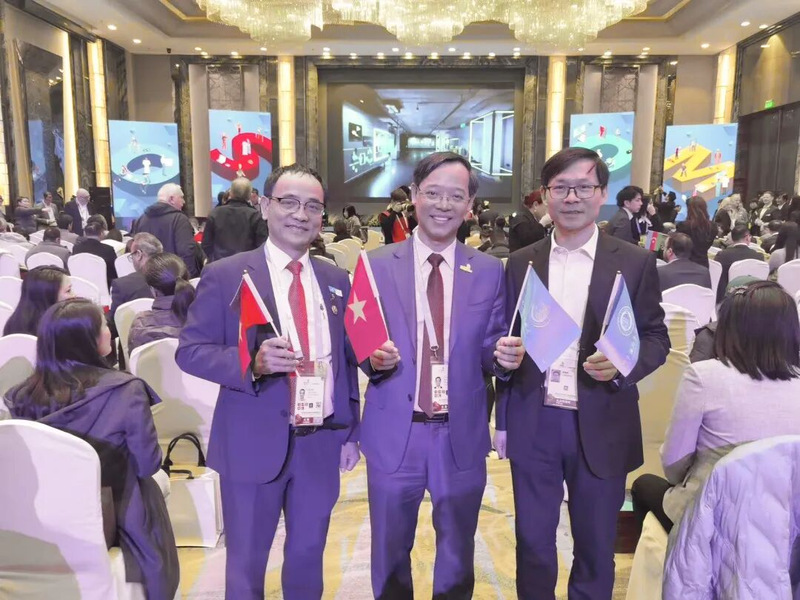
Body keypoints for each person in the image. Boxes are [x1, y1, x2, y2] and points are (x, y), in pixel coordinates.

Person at [176, 164, 360, 600]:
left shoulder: (336, 279)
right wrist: (252, 363)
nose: (301, 214)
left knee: (308, 557)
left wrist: (351, 429)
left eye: (312, 206)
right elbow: (191, 350)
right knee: (246, 564)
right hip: (251, 441)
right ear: (264, 205)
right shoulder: (227, 275)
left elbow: (345, 361)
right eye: (289, 202)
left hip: (319, 441)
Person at [495, 147, 669, 600]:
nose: (572, 197)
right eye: (561, 188)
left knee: (594, 548)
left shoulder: (634, 262)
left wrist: (624, 364)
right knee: (533, 544)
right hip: (536, 419)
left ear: (602, 194)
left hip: (602, 419)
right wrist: (503, 357)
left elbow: (655, 337)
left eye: (583, 187)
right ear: (546, 194)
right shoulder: (521, 262)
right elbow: (504, 335)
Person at [361, 151, 524, 599]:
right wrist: (371, 360)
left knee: (456, 551)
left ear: (470, 205)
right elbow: (358, 339)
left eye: (456, 196)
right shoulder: (375, 264)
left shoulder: (488, 270)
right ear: (414, 195)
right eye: (433, 193)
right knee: (390, 551)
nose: (443, 204)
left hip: (460, 433)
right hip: (396, 431)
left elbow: (491, 346)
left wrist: (504, 357)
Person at [3, 299, 179, 599]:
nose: (109, 331)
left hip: (43, 513)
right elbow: (148, 463)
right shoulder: (126, 390)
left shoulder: (19, 396)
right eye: (103, 326)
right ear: (87, 340)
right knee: (150, 486)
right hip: (114, 514)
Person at [631, 281, 800, 535]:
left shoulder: (703, 377)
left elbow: (674, 464)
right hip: (781, 525)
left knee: (644, 485)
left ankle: (667, 560)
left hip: (711, 523)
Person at [128, 253, 196, 353]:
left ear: (153, 290)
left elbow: (134, 360)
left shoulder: (140, 327)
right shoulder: (208, 316)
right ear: (187, 280)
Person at [132, 183, 202, 277]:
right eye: (181, 197)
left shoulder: (140, 219)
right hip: (173, 279)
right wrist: (189, 278)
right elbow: (186, 252)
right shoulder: (179, 219)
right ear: (171, 199)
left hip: (146, 278)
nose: (184, 202)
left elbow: (136, 253)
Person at [202, 177, 268, 263]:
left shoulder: (215, 213)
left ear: (231, 193)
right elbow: (262, 247)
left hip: (219, 265)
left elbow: (206, 245)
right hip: (246, 266)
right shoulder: (256, 217)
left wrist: (214, 259)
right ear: (249, 195)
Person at [109, 233, 161, 328]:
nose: (132, 259)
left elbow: (115, 325)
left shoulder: (122, 285)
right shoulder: (176, 277)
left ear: (139, 254)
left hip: (132, 335)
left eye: (132, 255)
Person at [2, 266, 72, 336]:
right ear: (49, 296)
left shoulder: (12, 324)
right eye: (68, 291)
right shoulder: (61, 330)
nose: (74, 295)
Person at [713, 223, 765, 303]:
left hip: (726, 300)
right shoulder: (759, 257)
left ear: (732, 238)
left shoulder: (722, 255)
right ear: (747, 238)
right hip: (753, 299)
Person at [73, 215, 117, 286]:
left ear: (85, 234)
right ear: (101, 233)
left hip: (81, 284)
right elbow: (114, 272)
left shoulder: (76, 248)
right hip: (105, 286)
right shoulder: (108, 250)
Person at [676, 197, 717, 268]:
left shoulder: (683, 226)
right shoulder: (713, 227)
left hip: (685, 264)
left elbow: (676, 245)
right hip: (703, 264)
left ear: (689, 209)